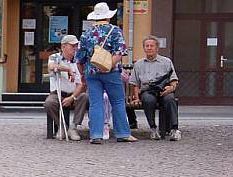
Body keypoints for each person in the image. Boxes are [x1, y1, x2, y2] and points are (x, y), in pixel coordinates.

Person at [75, 2, 137, 144]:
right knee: (118, 101)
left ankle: (96, 135)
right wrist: (108, 66)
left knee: (96, 104)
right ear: (108, 17)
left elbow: (79, 59)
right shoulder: (115, 31)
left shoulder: (86, 34)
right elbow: (119, 53)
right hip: (111, 73)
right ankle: (123, 133)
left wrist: (83, 76)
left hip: (92, 72)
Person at [129, 36, 181, 141]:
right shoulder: (138, 64)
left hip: (164, 89)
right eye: (146, 46)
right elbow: (135, 84)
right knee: (148, 100)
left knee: (170, 99)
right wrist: (136, 98)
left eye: (151, 46)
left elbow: (174, 79)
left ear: (157, 48)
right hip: (147, 90)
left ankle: (174, 129)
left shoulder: (166, 62)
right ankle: (153, 129)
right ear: (144, 48)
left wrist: (171, 88)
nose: (149, 48)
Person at [44, 35, 88, 141]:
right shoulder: (55, 57)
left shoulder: (78, 60)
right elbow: (51, 66)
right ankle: (62, 126)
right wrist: (67, 69)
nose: (75, 48)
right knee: (49, 103)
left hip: (74, 93)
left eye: (76, 45)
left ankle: (73, 127)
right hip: (58, 93)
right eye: (72, 45)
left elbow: (81, 84)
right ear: (63, 47)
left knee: (84, 97)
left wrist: (72, 97)